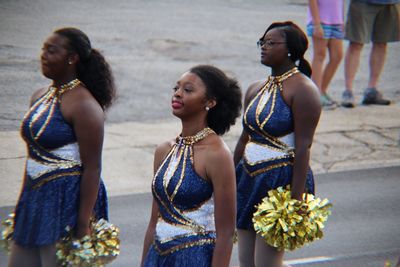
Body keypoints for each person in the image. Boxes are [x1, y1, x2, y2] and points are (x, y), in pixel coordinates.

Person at [8, 27, 116, 266]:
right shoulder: (40, 95)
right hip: (34, 198)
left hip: (65, 202)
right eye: (43, 49)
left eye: (51, 50)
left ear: (72, 58)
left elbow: (93, 168)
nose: (43, 55)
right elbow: (33, 157)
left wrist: (82, 222)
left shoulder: (85, 106)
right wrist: (24, 202)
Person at [234, 21, 321, 267]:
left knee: (267, 264)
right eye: (262, 42)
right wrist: (229, 179)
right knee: (246, 263)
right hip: (248, 179)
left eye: (271, 43)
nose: (264, 47)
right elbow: (244, 138)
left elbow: (303, 147)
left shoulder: (304, 90)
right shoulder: (254, 89)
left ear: (291, 50)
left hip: (279, 183)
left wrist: (295, 200)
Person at [141, 65, 242, 267]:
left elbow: (226, 232)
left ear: (210, 102)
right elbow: (154, 221)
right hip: (158, 256)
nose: (177, 94)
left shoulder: (217, 154)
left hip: (194, 258)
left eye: (187, 90)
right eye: (176, 88)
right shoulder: (163, 150)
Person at [342, 0, 400, 108]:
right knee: (356, 43)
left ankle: (372, 90)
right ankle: (348, 91)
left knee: (381, 43)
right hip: (362, 3)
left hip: (390, 3)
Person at [307, 0, 344, 109]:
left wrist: (342, 20)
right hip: (320, 21)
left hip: (336, 21)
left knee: (337, 56)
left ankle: (321, 90)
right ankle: (316, 93)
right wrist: (317, 24)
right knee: (320, 55)